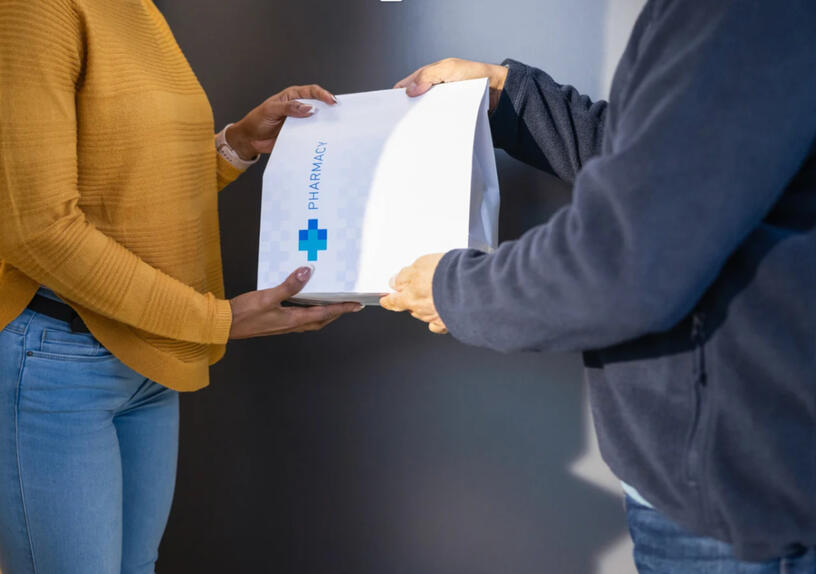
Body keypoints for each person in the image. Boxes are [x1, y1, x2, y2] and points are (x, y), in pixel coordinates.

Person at [382, 0, 816, 571]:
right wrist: (510, 99)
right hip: (729, 488)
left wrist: (456, 289)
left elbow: (625, 259)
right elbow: (670, 160)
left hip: (739, 521)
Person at [0, 1, 362, 572]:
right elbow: (38, 230)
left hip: (149, 356)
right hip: (60, 364)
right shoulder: (35, 10)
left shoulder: (137, 8)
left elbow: (127, 184)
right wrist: (217, 321)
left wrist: (236, 144)